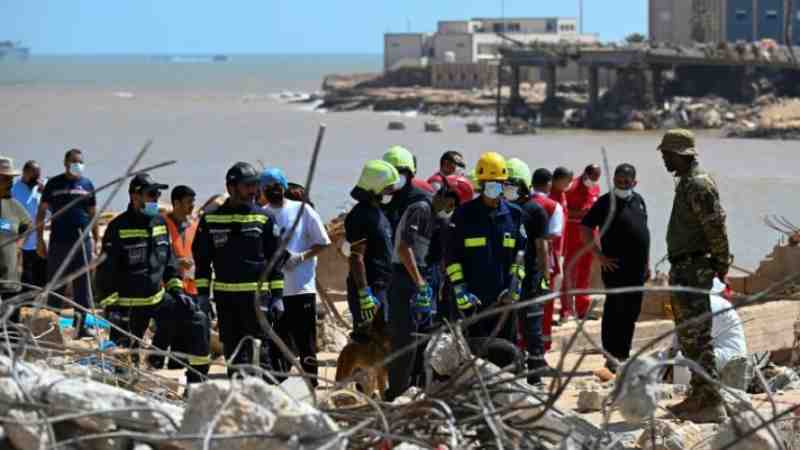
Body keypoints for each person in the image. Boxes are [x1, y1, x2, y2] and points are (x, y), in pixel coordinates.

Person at [96, 174, 210, 385]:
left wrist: (176, 289)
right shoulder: (117, 227)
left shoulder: (159, 223)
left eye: (157, 195)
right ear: (134, 196)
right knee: (125, 364)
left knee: (198, 319)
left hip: (157, 300)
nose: (155, 199)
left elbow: (168, 262)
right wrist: (112, 308)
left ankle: (196, 384)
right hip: (128, 307)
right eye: (151, 194)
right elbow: (105, 272)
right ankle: (125, 392)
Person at [660, 129, 730, 423]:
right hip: (684, 267)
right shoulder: (687, 183)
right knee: (689, 335)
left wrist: (721, 263)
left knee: (697, 336)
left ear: (681, 154)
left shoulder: (699, 184)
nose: (664, 159)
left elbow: (715, 227)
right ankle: (699, 395)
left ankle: (712, 400)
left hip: (693, 268)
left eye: (667, 154)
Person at [193, 162, 285, 379]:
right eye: (248, 186)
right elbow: (202, 262)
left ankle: (263, 402)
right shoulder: (210, 220)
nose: (254, 191)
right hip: (226, 301)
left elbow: (275, 261)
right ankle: (239, 403)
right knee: (234, 355)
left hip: (257, 300)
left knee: (259, 354)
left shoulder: (264, 218)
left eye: (255, 185)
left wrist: (278, 296)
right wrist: (203, 297)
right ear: (231, 187)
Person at [445, 152, 527, 370]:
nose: (494, 187)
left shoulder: (515, 215)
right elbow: (452, 258)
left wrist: (515, 286)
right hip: (472, 304)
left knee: (505, 355)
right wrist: (460, 290)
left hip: (504, 301)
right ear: (480, 184)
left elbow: (521, 256)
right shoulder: (463, 215)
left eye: (498, 183)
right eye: (489, 183)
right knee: (471, 360)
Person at [260, 168, 331, 386]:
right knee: (278, 341)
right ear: (262, 190)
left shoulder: (302, 210)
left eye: (277, 186)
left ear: (283, 186)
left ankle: (312, 382)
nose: (273, 191)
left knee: (306, 341)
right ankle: (277, 383)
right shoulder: (261, 214)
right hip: (276, 290)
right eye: (268, 187)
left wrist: (301, 257)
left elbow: (323, 242)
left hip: (301, 287)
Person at [580, 164, 651, 372]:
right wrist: (599, 257)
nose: (622, 185)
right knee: (615, 311)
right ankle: (611, 355)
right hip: (615, 268)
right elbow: (585, 228)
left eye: (626, 182)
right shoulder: (605, 203)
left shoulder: (639, 201)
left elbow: (644, 233)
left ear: (634, 182)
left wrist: (647, 263)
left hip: (637, 269)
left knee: (632, 311)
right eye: (619, 182)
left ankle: (624, 353)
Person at [37, 149, 99, 333]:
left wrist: (95, 241)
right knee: (57, 285)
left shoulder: (87, 184)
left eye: (80, 161)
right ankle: (51, 326)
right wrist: (40, 240)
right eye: (74, 161)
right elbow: (41, 212)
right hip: (58, 243)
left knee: (83, 287)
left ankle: (81, 327)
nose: (78, 164)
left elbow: (93, 214)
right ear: (65, 163)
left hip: (82, 243)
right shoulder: (54, 184)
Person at [505, 158, 551, 385]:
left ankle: (535, 375)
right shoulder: (504, 207)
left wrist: (545, 275)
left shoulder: (535, 210)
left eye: (511, 184)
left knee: (531, 325)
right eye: (505, 184)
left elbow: (542, 247)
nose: (507, 188)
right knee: (509, 325)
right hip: (505, 276)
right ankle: (512, 371)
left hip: (529, 277)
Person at [344, 160, 399, 336]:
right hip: (370, 291)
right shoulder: (360, 215)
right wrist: (364, 293)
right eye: (388, 187)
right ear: (376, 187)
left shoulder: (378, 212)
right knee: (366, 344)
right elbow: (356, 257)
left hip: (383, 287)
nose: (392, 191)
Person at [561, 164, 601, 320]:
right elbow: (563, 210)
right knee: (569, 270)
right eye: (592, 178)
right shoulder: (571, 188)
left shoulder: (595, 188)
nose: (594, 181)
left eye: (596, 179)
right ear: (585, 174)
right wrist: (581, 213)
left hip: (589, 235)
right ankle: (566, 310)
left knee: (585, 272)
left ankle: (583, 309)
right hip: (572, 234)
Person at [531, 168, 564, 353]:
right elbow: (554, 234)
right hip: (546, 264)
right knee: (545, 303)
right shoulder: (553, 206)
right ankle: (542, 346)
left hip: (523, 261)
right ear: (549, 184)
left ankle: (521, 344)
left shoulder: (523, 202)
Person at [0, 157, 32, 303]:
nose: (11, 183)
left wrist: (19, 244)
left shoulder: (14, 206)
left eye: (11, 178)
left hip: (9, 279)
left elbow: (28, 225)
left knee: (10, 323)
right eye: (6, 178)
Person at [11, 161, 46, 291]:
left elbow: (50, 212)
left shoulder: (40, 189)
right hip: (21, 245)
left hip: (39, 243)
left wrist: (46, 193)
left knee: (41, 281)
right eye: (34, 176)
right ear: (25, 173)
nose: (37, 179)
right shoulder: (14, 190)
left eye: (38, 176)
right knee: (26, 281)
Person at [549, 166, 572, 321]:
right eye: (567, 181)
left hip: (561, 247)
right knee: (553, 282)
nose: (569, 184)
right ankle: (547, 316)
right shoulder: (551, 196)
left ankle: (558, 312)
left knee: (559, 281)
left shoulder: (562, 194)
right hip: (552, 248)